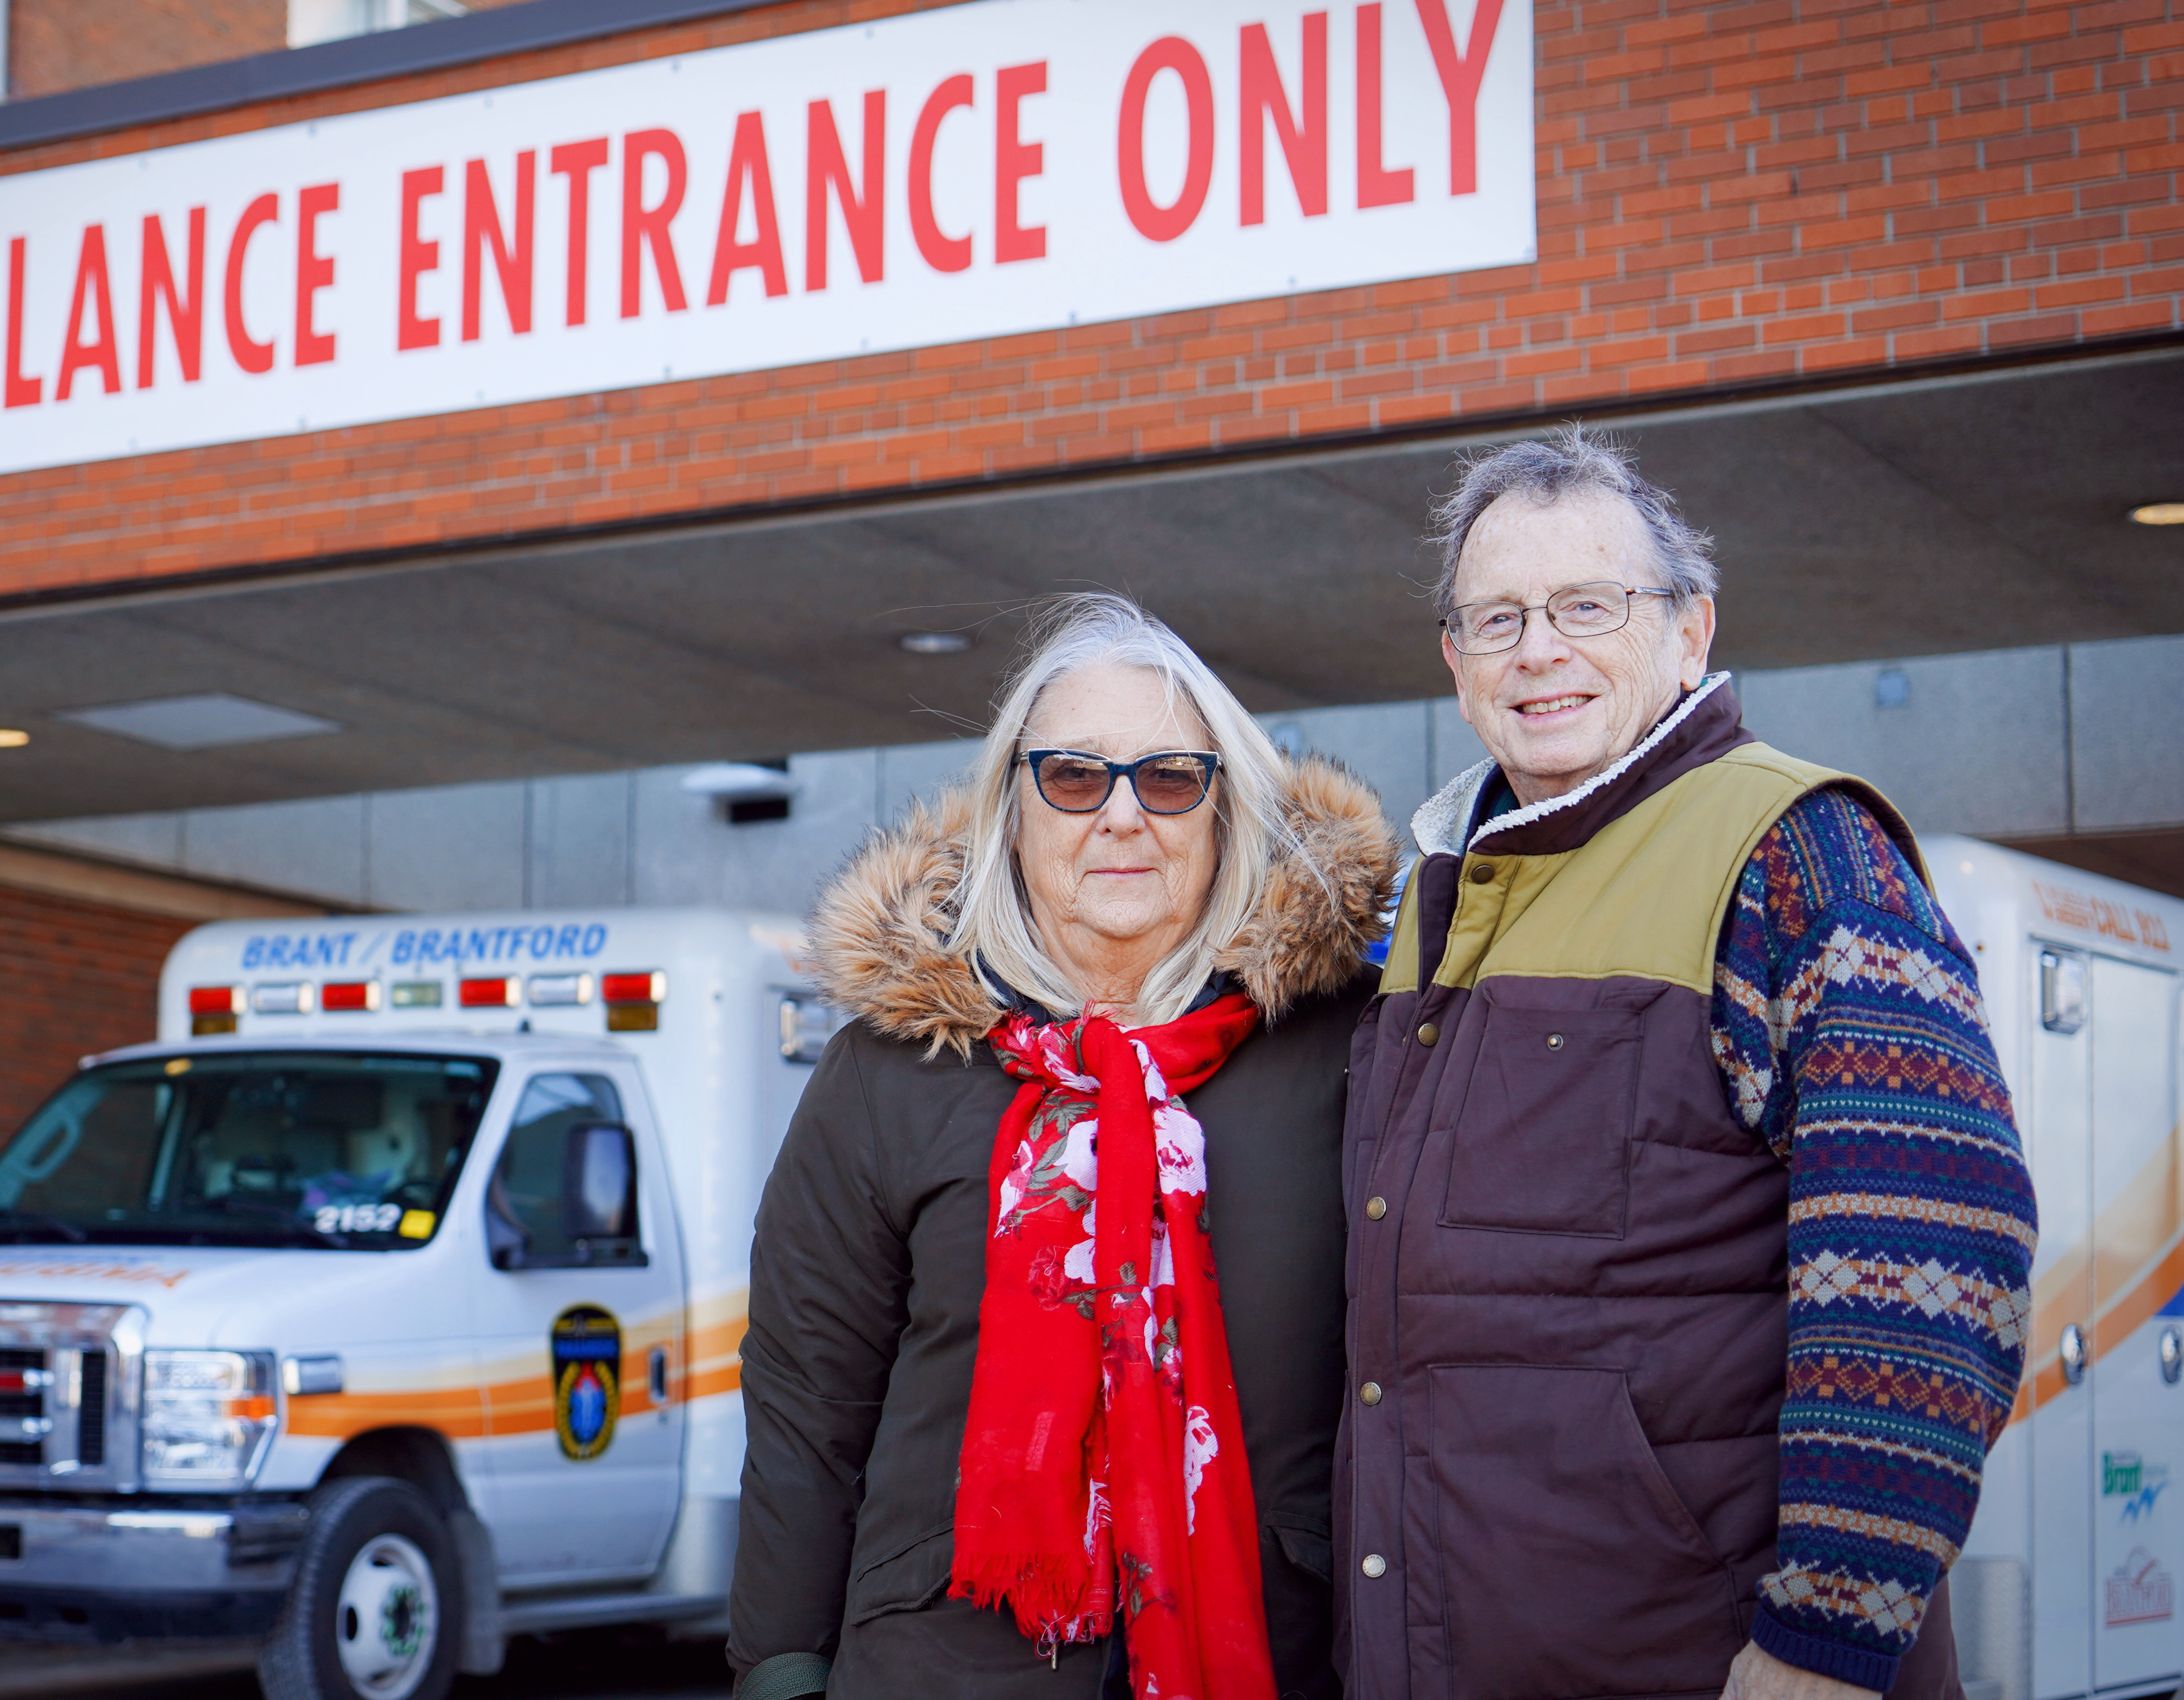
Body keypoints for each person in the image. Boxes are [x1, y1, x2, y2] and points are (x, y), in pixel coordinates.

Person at [1338, 429, 2035, 1700]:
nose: (1538, 648)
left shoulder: (1803, 855)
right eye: (1496, 617)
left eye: (1587, 604)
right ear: (1454, 659)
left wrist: (1824, 1643)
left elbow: (1933, 1256)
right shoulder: (1436, 902)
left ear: (1691, 631)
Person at [728, 594, 1398, 1700]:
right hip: (941, 1667)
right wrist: (782, 1672)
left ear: (1223, 809)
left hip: (1273, 1657)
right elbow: (805, 1409)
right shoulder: (889, 1069)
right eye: (1076, 777)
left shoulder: (1345, 1049)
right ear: (1013, 809)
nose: (1123, 817)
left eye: (1171, 777)